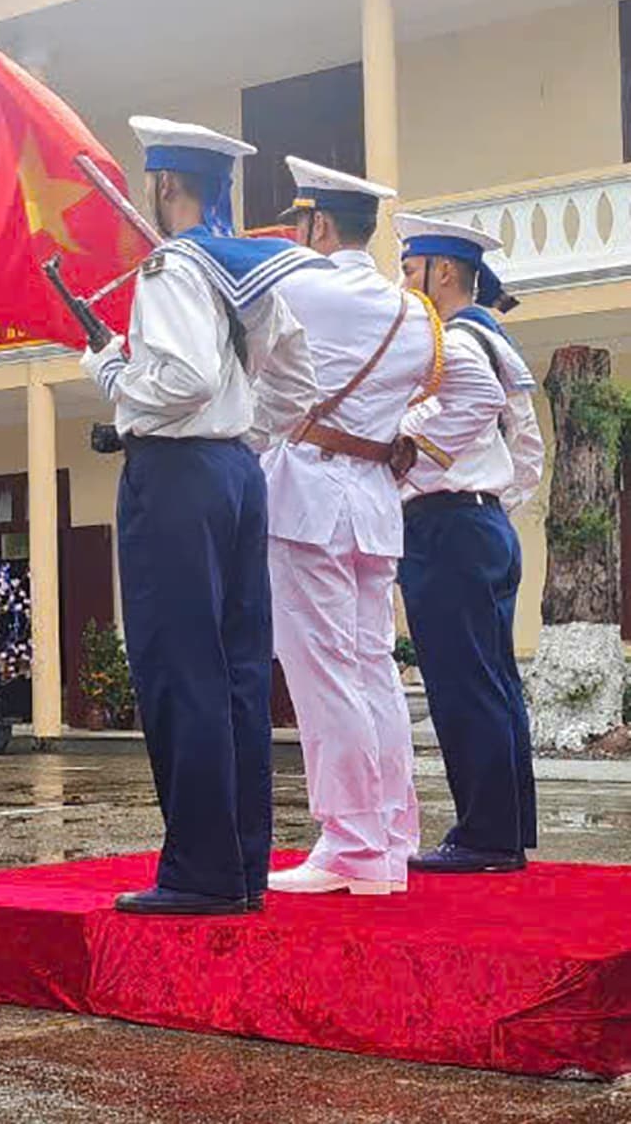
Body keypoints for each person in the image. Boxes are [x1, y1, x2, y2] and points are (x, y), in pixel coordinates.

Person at [76, 117, 322, 916]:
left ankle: (199, 872)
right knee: (238, 674)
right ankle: (241, 866)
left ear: (167, 185)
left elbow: (177, 377)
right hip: (235, 475)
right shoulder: (244, 266)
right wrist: (242, 432)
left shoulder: (171, 266)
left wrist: (115, 371)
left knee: (181, 670)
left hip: (178, 477)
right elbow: (297, 380)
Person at [261, 158, 505, 897]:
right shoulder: (412, 311)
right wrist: (406, 447)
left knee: (327, 675)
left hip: (308, 496)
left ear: (318, 224)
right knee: (371, 673)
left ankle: (354, 843)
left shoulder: (297, 283)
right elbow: (480, 392)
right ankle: (391, 837)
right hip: (372, 501)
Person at [395, 212, 547, 873]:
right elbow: (530, 450)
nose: (403, 280)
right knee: (494, 682)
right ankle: (505, 830)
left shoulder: (454, 342)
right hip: (484, 525)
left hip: (451, 526)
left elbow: (471, 413)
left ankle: (484, 837)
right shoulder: (493, 338)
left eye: (409, 268)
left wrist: (421, 467)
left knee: (464, 684)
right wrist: (490, 498)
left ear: (444, 272)